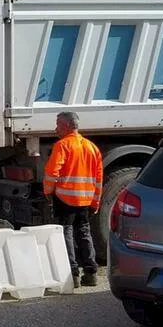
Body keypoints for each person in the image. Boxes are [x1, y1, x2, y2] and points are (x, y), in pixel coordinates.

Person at [43, 111, 103, 286]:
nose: (55, 128)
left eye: (58, 124)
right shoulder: (92, 147)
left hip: (65, 198)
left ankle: (72, 274)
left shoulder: (62, 145)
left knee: (66, 232)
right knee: (84, 232)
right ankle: (91, 273)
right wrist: (96, 202)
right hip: (85, 200)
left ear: (67, 126)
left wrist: (48, 192)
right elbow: (99, 179)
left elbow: (52, 172)